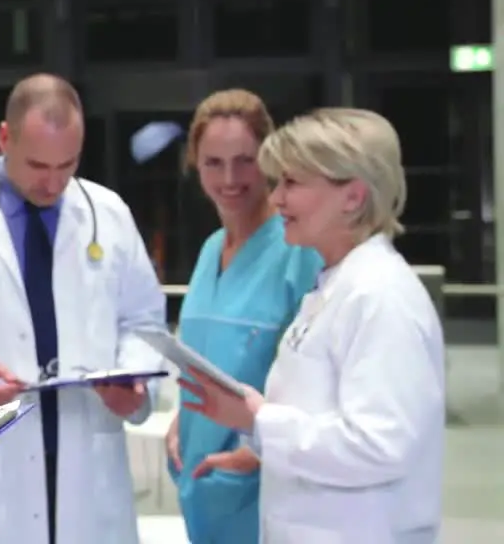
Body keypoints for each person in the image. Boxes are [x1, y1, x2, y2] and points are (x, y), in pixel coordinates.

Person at [0, 73, 168, 544]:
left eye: (69, 164)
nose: (54, 182)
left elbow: (142, 322)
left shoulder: (109, 213)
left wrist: (132, 380)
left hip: (87, 450)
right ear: (4, 138)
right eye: (39, 164)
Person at [179, 108, 445, 544]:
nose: (277, 198)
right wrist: (256, 420)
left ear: (353, 197)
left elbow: (380, 445)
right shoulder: (335, 288)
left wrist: (261, 420)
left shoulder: (381, 297)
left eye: (293, 183)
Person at [165, 90, 322, 544]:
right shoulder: (210, 250)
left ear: (269, 159)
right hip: (200, 481)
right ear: (195, 162)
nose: (230, 178)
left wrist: (255, 453)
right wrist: (183, 421)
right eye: (214, 162)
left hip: (262, 485)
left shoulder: (298, 252)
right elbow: (208, 357)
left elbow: (319, 381)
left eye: (245, 161)